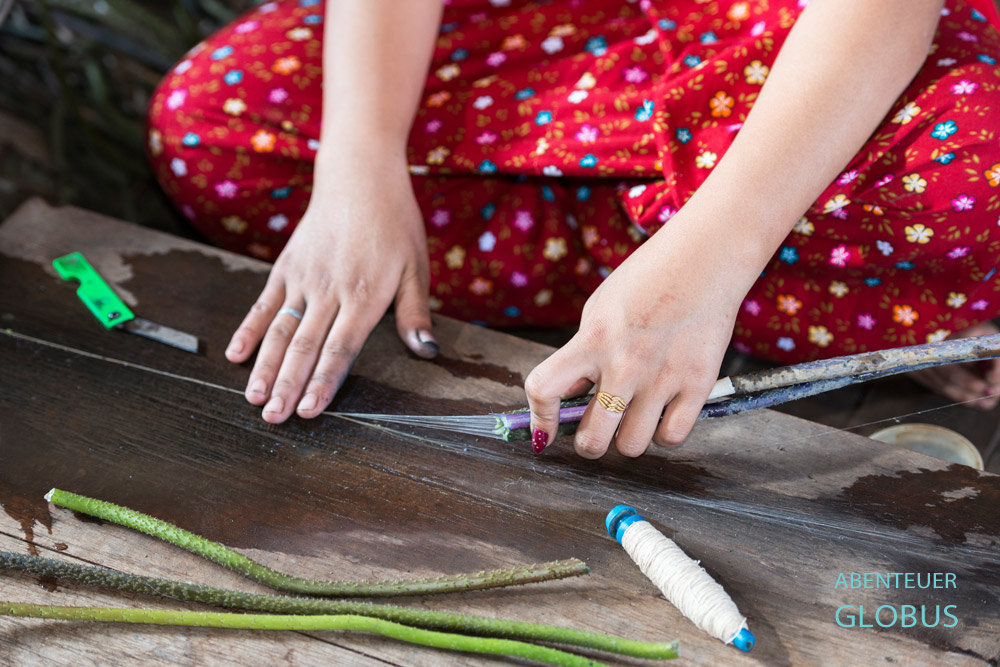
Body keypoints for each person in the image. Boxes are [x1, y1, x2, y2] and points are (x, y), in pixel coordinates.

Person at [147, 0, 1000, 458]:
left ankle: (722, 280)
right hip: (566, 41)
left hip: (809, 47)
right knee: (208, 129)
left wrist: (708, 257)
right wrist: (356, 165)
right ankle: (838, 287)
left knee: (976, 166)